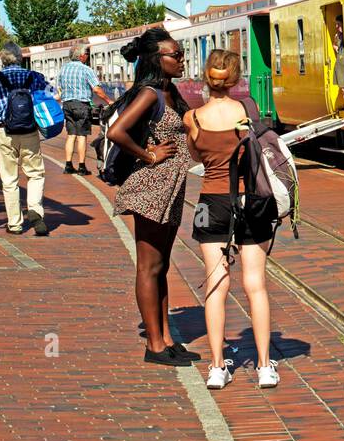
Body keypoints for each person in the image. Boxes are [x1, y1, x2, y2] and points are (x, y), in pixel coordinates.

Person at [184, 49, 279, 390]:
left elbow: (197, 156)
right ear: (237, 79)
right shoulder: (248, 111)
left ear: (205, 79)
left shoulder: (192, 118)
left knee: (216, 285)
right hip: (250, 201)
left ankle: (215, 368)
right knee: (255, 285)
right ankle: (265, 366)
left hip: (211, 203)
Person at [108, 29, 198, 367]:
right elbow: (115, 132)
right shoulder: (149, 94)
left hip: (171, 189)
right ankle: (155, 346)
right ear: (155, 59)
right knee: (149, 266)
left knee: (162, 265)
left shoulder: (170, 92)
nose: (181, 60)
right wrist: (149, 156)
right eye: (175, 55)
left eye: (181, 53)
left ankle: (167, 338)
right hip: (149, 187)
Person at [0, 43, 49, 236]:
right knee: (35, 174)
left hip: (4, 133)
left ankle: (15, 224)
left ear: (3, 59)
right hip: (30, 131)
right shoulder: (34, 76)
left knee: (9, 180)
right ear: (20, 57)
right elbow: (51, 98)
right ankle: (34, 209)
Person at [57, 47, 110, 175]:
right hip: (81, 105)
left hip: (67, 104)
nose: (87, 56)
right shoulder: (86, 69)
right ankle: (81, 167)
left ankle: (68, 166)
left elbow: (59, 89)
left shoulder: (63, 69)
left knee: (71, 135)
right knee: (81, 136)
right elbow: (96, 89)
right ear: (81, 56)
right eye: (86, 54)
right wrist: (109, 101)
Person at [332, 14, 344, 112]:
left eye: (338, 24)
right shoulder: (337, 36)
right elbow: (334, 45)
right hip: (340, 66)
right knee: (343, 90)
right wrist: (337, 48)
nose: (336, 27)